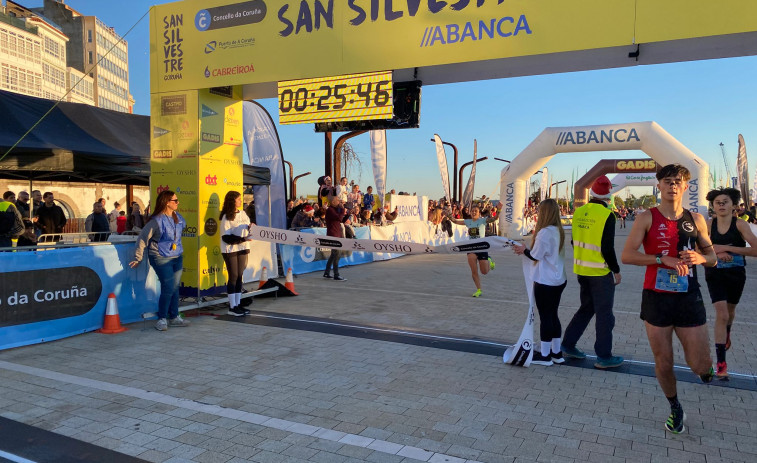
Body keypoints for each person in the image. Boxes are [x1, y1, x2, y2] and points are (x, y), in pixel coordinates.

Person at [621, 164, 716, 434]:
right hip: (656, 298)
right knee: (663, 361)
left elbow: (711, 259)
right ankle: (675, 407)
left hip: (688, 297)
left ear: (685, 187)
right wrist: (661, 259)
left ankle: (705, 366)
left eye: (678, 181)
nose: (673, 185)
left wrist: (700, 257)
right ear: (659, 186)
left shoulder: (696, 219)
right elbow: (627, 255)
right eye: (668, 181)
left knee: (698, 364)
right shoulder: (646, 218)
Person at [561, 176, 624, 369]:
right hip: (600, 272)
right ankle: (604, 357)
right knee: (604, 315)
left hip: (582, 270)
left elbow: (573, 241)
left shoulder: (579, 212)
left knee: (586, 309)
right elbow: (607, 248)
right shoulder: (607, 215)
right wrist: (616, 270)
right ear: (608, 195)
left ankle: (568, 344)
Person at [704, 188, 757, 378]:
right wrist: (716, 253)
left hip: (736, 274)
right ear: (713, 206)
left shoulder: (741, 225)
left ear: (733, 205)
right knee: (722, 313)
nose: (721, 205)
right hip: (714, 273)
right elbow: (699, 249)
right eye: (717, 202)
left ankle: (727, 332)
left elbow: (755, 250)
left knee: (730, 312)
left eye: (725, 201)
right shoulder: (708, 225)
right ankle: (721, 364)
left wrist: (725, 247)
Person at [513, 199, 567, 366]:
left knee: (546, 317)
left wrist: (523, 250)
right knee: (553, 315)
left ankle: (545, 356)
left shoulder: (544, 232)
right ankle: (556, 352)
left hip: (546, 281)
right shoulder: (559, 230)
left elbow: (535, 255)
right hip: (559, 279)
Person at [129, 190, 191, 331]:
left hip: (176, 255)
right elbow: (143, 239)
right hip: (160, 256)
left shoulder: (178, 217)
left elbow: (180, 231)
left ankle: (174, 316)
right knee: (168, 286)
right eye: (175, 200)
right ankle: (162, 318)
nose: (178, 203)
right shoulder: (156, 221)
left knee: (175, 287)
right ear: (166, 202)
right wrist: (138, 257)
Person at [450, 203, 502, 297]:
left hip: (482, 247)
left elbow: (495, 219)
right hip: (471, 247)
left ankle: (489, 260)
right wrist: (448, 215)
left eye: (476, 211)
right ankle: (479, 290)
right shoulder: (468, 222)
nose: (474, 212)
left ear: (479, 213)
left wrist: (498, 210)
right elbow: (455, 221)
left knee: (484, 272)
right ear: (470, 212)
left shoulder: (483, 220)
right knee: (474, 270)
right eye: (472, 211)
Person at [219, 191, 254, 317]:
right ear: (232, 201)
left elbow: (247, 227)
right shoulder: (226, 217)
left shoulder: (243, 213)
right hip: (230, 249)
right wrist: (242, 239)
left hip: (243, 247)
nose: (240, 201)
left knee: (240, 276)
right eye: (238, 199)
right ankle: (232, 306)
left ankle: (238, 304)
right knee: (233, 276)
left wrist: (251, 227)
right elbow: (226, 237)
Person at [323, 196, 347, 281]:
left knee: (333, 254)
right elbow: (339, 218)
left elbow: (341, 220)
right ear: (332, 202)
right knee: (337, 254)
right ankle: (336, 274)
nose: (339, 202)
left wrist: (347, 213)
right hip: (333, 235)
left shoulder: (335, 210)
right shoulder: (330, 210)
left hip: (336, 233)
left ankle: (327, 272)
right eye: (337, 201)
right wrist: (342, 210)